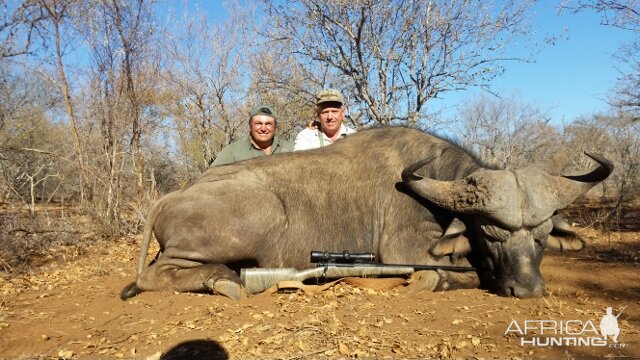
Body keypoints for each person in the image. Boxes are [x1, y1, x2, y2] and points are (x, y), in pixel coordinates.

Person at [211, 105, 293, 166]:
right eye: (258, 123)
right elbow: (210, 178)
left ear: (275, 127)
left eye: (268, 124)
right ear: (250, 126)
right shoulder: (232, 152)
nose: (263, 128)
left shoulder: (292, 149)